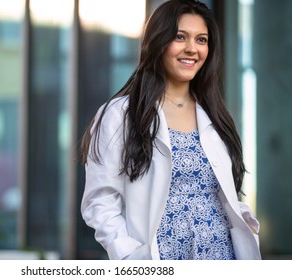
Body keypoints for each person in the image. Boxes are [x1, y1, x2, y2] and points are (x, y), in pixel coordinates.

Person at [80, 0, 261, 260]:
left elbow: (224, 193)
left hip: (222, 258)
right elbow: (100, 202)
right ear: (158, 41)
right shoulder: (121, 114)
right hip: (159, 261)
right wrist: (130, 257)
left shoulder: (216, 115)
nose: (192, 49)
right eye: (180, 37)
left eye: (201, 40)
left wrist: (245, 220)